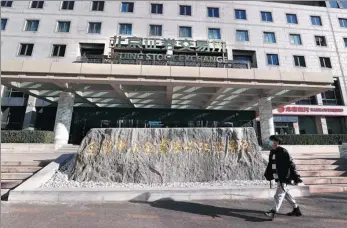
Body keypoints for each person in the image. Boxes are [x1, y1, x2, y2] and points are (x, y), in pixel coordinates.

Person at [264, 135, 303, 220]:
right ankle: (296, 209)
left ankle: (273, 211)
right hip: (277, 177)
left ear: (276, 142)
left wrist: (296, 176)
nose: (269, 142)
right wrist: (268, 174)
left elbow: (291, 164)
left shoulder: (283, 151)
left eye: (271, 141)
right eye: (269, 141)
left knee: (278, 195)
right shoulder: (272, 152)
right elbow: (271, 164)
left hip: (284, 177)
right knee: (286, 194)